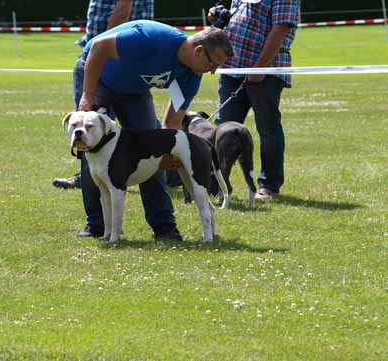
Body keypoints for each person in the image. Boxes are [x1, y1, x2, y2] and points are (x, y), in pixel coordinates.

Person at [75, 20, 233, 239]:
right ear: (198, 51)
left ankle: (164, 227)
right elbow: (98, 47)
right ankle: (97, 226)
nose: (213, 71)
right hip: (98, 77)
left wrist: (168, 152)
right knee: (91, 148)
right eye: (213, 64)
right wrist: (87, 94)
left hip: (135, 92)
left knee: (152, 148)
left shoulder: (191, 76)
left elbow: (172, 124)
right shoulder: (151, 39)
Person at [53, 0, 154, 190]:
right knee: (92, 131)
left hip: (106, 59)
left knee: (93, 130)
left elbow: (123, 10)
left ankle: (97, 197)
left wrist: (101, 54)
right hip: (105, 56)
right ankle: (88, 180)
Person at [209, 0, 299, 200]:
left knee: (268, 128)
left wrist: (260, 68)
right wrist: (219, 17)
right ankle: (215, 183)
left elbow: (280, 29)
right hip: (233, 67)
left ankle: (269, 186)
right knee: (222, 128)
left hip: (266, 71)